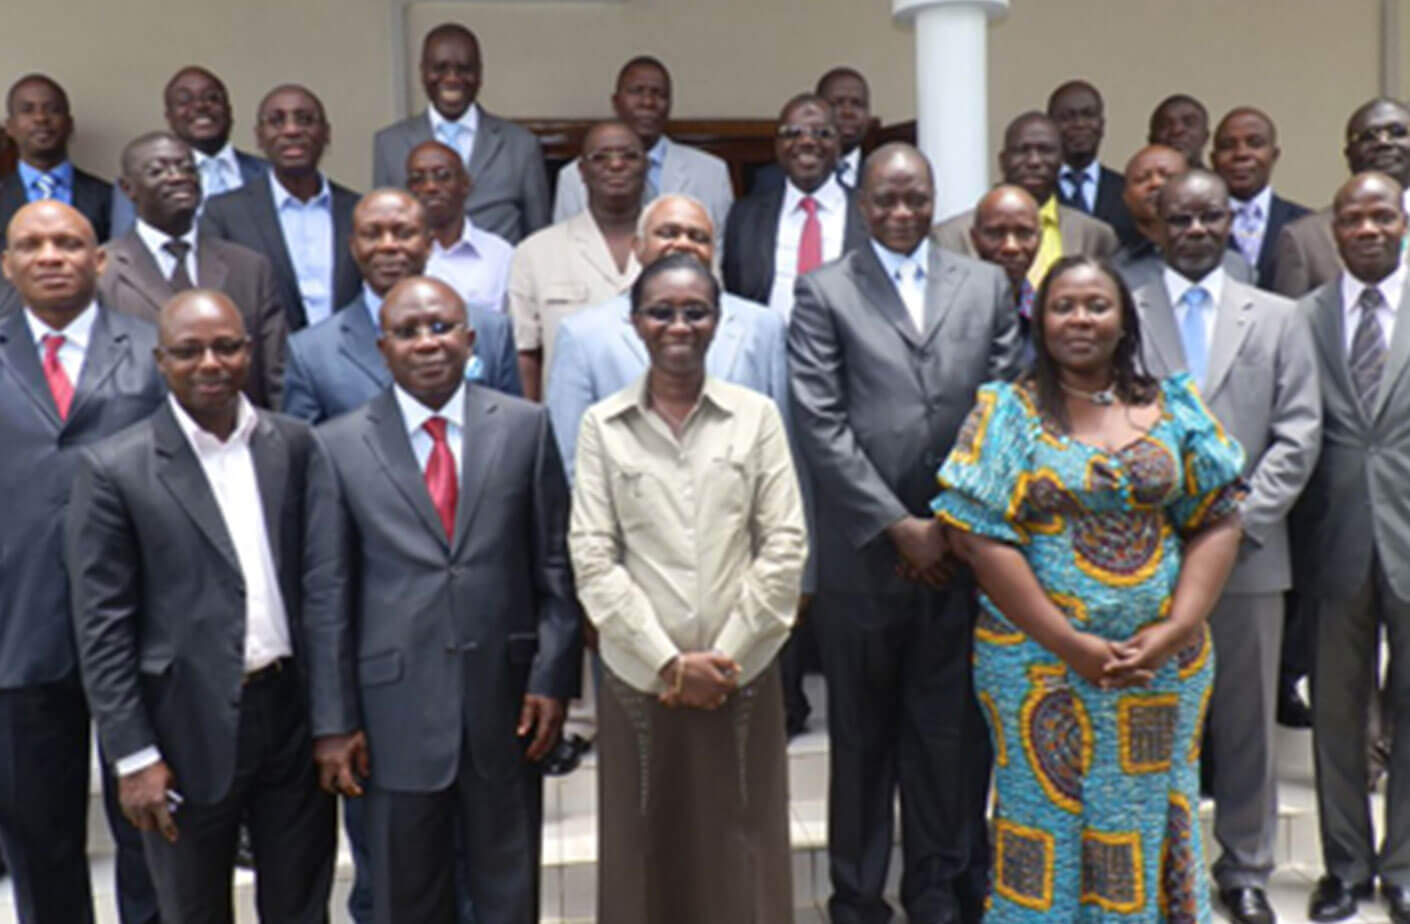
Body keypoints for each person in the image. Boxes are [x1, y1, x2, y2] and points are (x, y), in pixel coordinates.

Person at [934, 254, 1245, 922]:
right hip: (1036, 666)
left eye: (1097, 305)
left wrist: (1176, 628)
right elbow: (980, 537)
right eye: (1063, 306)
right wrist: (1070, 643)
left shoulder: (1175, 407)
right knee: (1044, 816)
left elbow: (1219, 517)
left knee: (1152, 813)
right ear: (1040, 322)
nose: (1080, 319)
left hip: (1163, 667)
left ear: (1124, 320)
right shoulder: (1008, 412)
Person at [789, 142, 1023, 924]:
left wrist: (948, 523)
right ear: (862, 205)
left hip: (962, 555)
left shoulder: (984, 285)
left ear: (933, 200)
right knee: (862, 740)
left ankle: (938, 891)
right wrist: (898, 526)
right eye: (885, 199)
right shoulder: (824, 290)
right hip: (865, 560)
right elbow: (819, 421)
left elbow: (999, 408)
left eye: (915, 198)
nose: (900, 212)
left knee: (947, 737)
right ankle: (858, 898)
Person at [305, 275, 580, 924]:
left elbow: (555, 568)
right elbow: (327, 595)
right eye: (407, 332)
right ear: (382, 348)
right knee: (407, 899)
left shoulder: (525, 427)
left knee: (506, 899)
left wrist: (551, 679)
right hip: (392, 718)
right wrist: (334, 720)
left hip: (506, 710)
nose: (427, 343)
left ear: (470, 338)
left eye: (441, 327)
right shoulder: (337, 445)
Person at [65, 289, 335, 923]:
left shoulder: (294, 445)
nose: (210, 363)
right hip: (181, 729)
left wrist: (333, 719)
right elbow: (102, 628)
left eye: (226, 347)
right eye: (189, 351)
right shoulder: (115, 469)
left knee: (302, 906)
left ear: (250, 351)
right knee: (192, 910)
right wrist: (134, 755)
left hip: (289, 716)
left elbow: (323, 588)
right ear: (161, 361)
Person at [569, 252, 806, 923]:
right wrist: (669, 662)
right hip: (641, 681)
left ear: (717, 321)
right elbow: (592, 555)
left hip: (742, 676)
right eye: (661, 312)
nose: (679, 325)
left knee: (743, 855)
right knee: (646, 860)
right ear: (635, 323)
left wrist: (723, 659)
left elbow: (785, 543)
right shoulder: (602, 426)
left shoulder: (756, 417)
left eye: (695, 312)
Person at [1133, 169, 1321, 924]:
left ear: (1230, 224)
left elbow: (1299, 431)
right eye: (1180, 218)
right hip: (1146, 558)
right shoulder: (1124, 307)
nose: (1196, 231)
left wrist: (1238, 521)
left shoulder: (1278, 317)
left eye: (1210, 217)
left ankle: (1244, 869)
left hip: (1248, 555)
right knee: (1151, 716)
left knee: (1245, 723)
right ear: (1157, 225)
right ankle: (1154, 863)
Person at [0, 201, 165, 924]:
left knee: (152, 829)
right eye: (31, 245)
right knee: (41, 838)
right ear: (7, 266)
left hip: (143, 624)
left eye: (68, 243)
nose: (50, 256)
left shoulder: (157, 349)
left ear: (99, 260)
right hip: (19, 629)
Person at [1294, 171, 1410, 924]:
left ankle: (1402, 867)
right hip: (1331, 540)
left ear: (1403, 223)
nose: (1368, 229)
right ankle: (1344, 869)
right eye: (1353, 218)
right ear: (1333, 230)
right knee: (1336, 713)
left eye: (1381, 216)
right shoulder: (1300, 317)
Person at [548, 193, 788, 479]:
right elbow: (571, 458)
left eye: (698, 237)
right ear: (637, 247)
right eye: (668, 233)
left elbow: (781, 449)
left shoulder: (763, 327)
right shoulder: (583, 335)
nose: (683, 243)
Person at [283, 188, 520, 427]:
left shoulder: (491, 332)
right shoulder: (311, 353)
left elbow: (513, 433)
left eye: (404, 233)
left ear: (429, 244)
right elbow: (305, 447)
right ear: (354, 247)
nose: (388, 246)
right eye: (372, 235)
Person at [99, 132, 286, 408]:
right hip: (141, 429)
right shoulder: (101, 271)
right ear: (128, 188)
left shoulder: (250, 268)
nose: (177, 177)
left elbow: (276, 375)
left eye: (187, 168)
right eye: (157, 171)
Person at [201, 84, 361, 332]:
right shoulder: (224, 213)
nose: (291, 130)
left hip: (348, 351)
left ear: (326, 133)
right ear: (259, 137)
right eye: (276, 121)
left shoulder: (358, 210)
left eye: (305, 120)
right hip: (266, 353)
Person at [373, 23, 549, 244]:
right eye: (440, 68)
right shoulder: (390, 144)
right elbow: (384, 229)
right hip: (423, 264)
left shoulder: (521, 145)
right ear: (423, 72)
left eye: (464, 69)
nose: (452, 78)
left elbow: (538, 237)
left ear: (480, 74)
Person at [509, 121, 645, 400]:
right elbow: (525, 352)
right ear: (582, 171)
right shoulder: (535, 252)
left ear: (646, 166)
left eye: (629, 156)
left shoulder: (681, 247)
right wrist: (532, 420)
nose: (616, 165)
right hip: (571, 415)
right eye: (600, 157)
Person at [551, 56, 733, 245]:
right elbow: (565, 249)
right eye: (636, 91)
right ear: (616, 102)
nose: (647, 102)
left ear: (670, 104)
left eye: (658, 93)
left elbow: (719, 251)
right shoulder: (574, 176)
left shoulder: (711, 172)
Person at [723, 94, 867, 317]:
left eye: (822, 133)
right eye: (792, 133)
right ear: (777, 145)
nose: (807, 141)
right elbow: (736, 292)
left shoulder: (870, 213)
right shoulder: (745, 216)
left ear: (839, 145)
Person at [932, 112, 1117, 284]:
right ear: (1003, 161)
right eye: (1022, 151)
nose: (1034, 161)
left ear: (1061, 161)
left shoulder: (1095, 235)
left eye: (1045, 151)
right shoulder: (949, 237)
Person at [110, 65, 269, 238]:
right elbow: (124, 245)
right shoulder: (138, 182)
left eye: (212, 98)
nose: (200, 106)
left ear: (229, 111)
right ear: (169, 118)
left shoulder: (269, 173)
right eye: (184, 100)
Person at [1274, 97, 1410, 298]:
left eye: (1397, 132)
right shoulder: (1304, 239)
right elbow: (1293, 316)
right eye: (1368, 136)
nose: (1383, 142)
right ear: (1348, 154)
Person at [1113, 144, 1252, 290]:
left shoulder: (1237, 267)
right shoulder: (1114, 270)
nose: (1156, 183)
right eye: (1142, 179)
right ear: (1126, 197)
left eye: (1168, 176)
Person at [0, 75, 111, 247]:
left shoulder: (109, 197)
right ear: (9, 127)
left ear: (69, 124)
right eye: (27, 110)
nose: (40, 118)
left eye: (53, 109)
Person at [406, 140, 513, 315]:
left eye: (443, 176)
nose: (430, 187)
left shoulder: (499, 255)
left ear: (466, 184)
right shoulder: (400, 255)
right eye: (418, 179)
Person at [1211, 107, 1311, 291]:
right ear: (1213, 159)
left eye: (1255, 143)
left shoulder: (1306, 225)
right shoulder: (1196, 227)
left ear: (1274, 155)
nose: (1241, 154)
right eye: (1227, 146)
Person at [751, 67, 872, 194]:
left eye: (858, 104)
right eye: (837, 103)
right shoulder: (771, 179)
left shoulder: (880, 175)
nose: (848, 112)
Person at [1048, 79, 1138, 246]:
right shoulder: (1037, 192)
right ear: (1050, 126)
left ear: (1102, 125)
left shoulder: (1128, 191)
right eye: (1067, 117)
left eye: (1088, 115)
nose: (1079, 124)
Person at [968, 184, 1041, 349]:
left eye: (1024, 233)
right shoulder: (952, 316)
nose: (1011, 247)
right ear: (974, 239)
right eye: (996, 233)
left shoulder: (1048, 318)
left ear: (1040, 239)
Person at [1150, 93, 1212, 167]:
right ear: (1152, 139)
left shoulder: (1219, 175)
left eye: (1189, 122)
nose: (1177, 130)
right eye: (1165, 124)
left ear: (1205, 136)